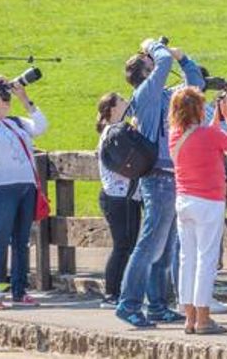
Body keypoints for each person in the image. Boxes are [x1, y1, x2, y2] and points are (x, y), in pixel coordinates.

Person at [115, 38, 202, 329]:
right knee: (149, 246)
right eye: (151, 65)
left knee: (164, 248)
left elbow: (196, 86)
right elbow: (163, 63)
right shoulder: (147, 95)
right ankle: (129, 304)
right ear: (145, 73)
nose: (159, 67)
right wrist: (153, 45)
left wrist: (185, 59)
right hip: (158, 180)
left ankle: (156, 305)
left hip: (172, 178)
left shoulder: (166, 97)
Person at [168, 88, 227, 335]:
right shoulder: (210, 135)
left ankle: (189, 317)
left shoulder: (174, 135)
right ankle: (203, 318)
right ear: (199, 109)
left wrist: (216, 120)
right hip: (208, 202)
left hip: (184, 200)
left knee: (187, 259)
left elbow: (203, 136)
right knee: (206, 259)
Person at [0, 75, 47, 310]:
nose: (5, 103)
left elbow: (42, 126)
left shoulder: (17, 122)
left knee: (21, 241)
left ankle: (19, 289)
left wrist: (24, 98)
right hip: (1, 186)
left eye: (7, 100)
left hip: (26, 185)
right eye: (0, 100)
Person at [95, 92, 141, 308]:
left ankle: (120, 290)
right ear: (113, 109)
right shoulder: (113, 133)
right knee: (122, 245)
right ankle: (111, 293)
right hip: (118, 195)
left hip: (124, 194)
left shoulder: (115, 131)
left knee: (128, 244)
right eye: (121, 100)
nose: (126, 102)